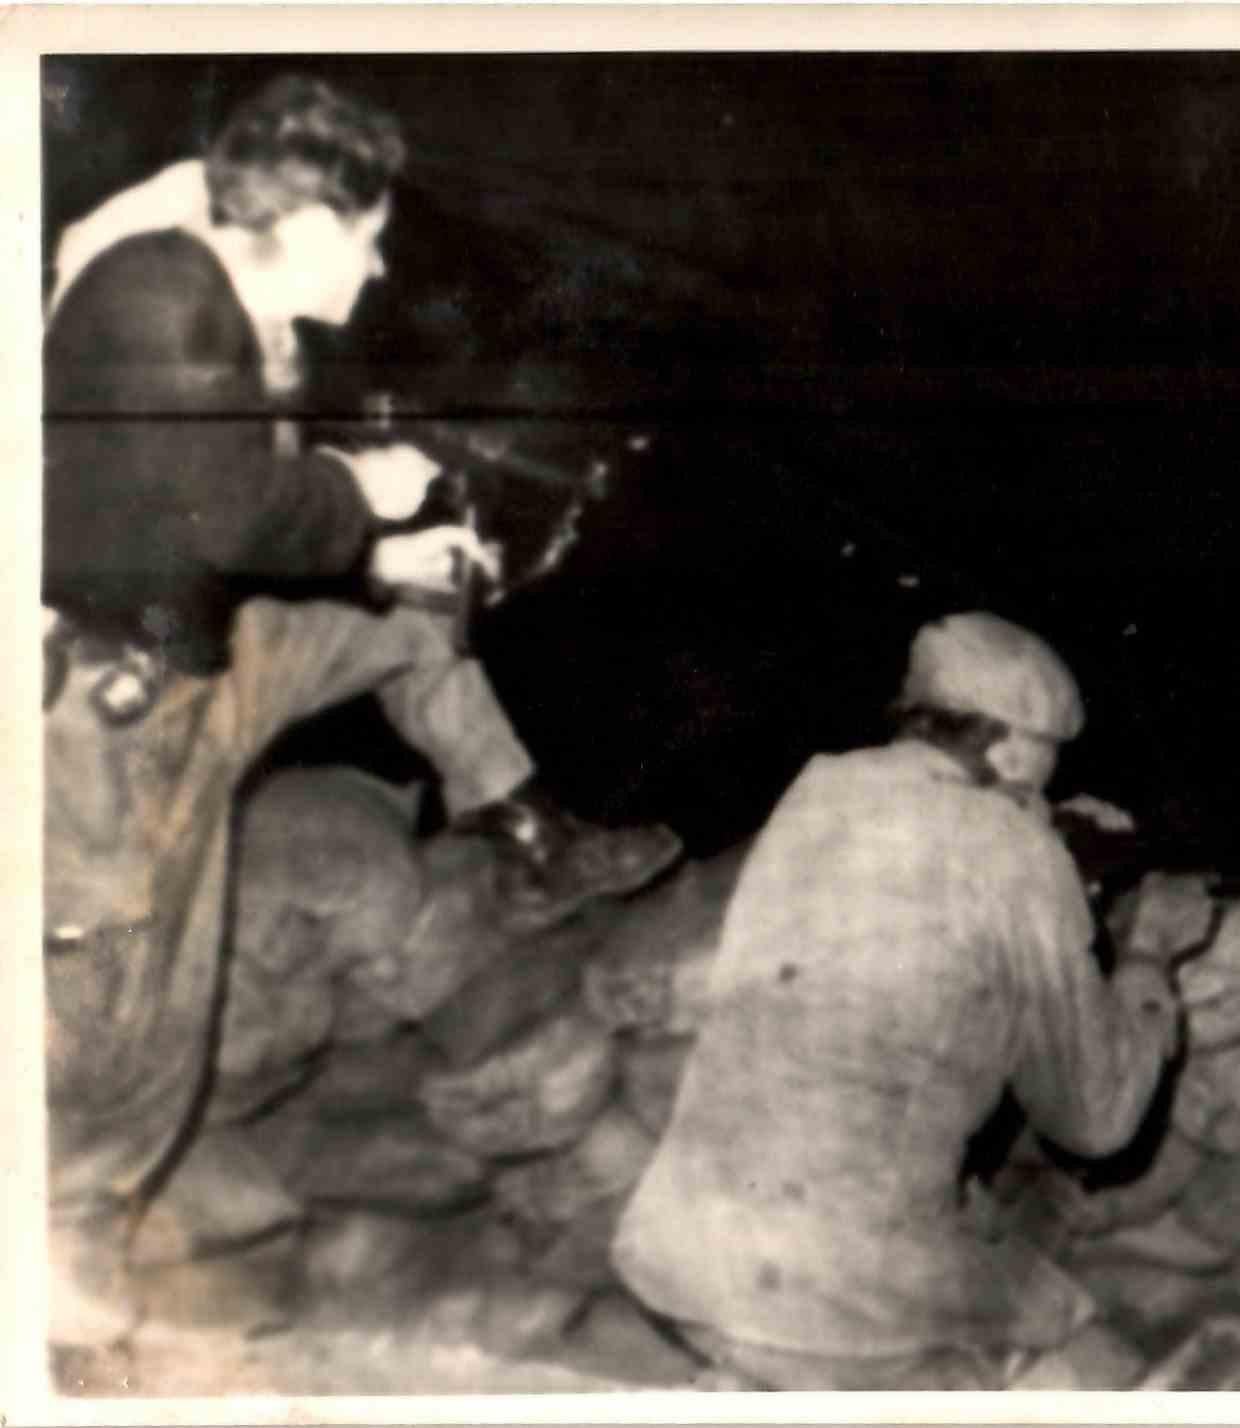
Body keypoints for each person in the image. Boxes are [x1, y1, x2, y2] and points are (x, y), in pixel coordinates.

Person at [41, 73, 681, 1345]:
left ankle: (517, 817)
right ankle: (56, 1250)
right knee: (127, 998)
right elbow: (210, 511)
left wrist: (386, 564)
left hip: (201, 643)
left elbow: (215, 509)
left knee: (411, 609)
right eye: (372, 234)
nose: (382, 267)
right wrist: (362, 492)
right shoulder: (160, 296)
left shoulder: (217, 290)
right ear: (314, 221)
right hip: (120, 705)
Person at [612, 612, 1183, 1390]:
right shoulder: (1014, 850)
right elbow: (1096, 1121)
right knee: (1092, 1366)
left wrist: (1041, 844)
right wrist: (1148, 962)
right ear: (1010, 744)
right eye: (1051, 757)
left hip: (677, 1253)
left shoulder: (819, 791)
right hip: (828, 1291)